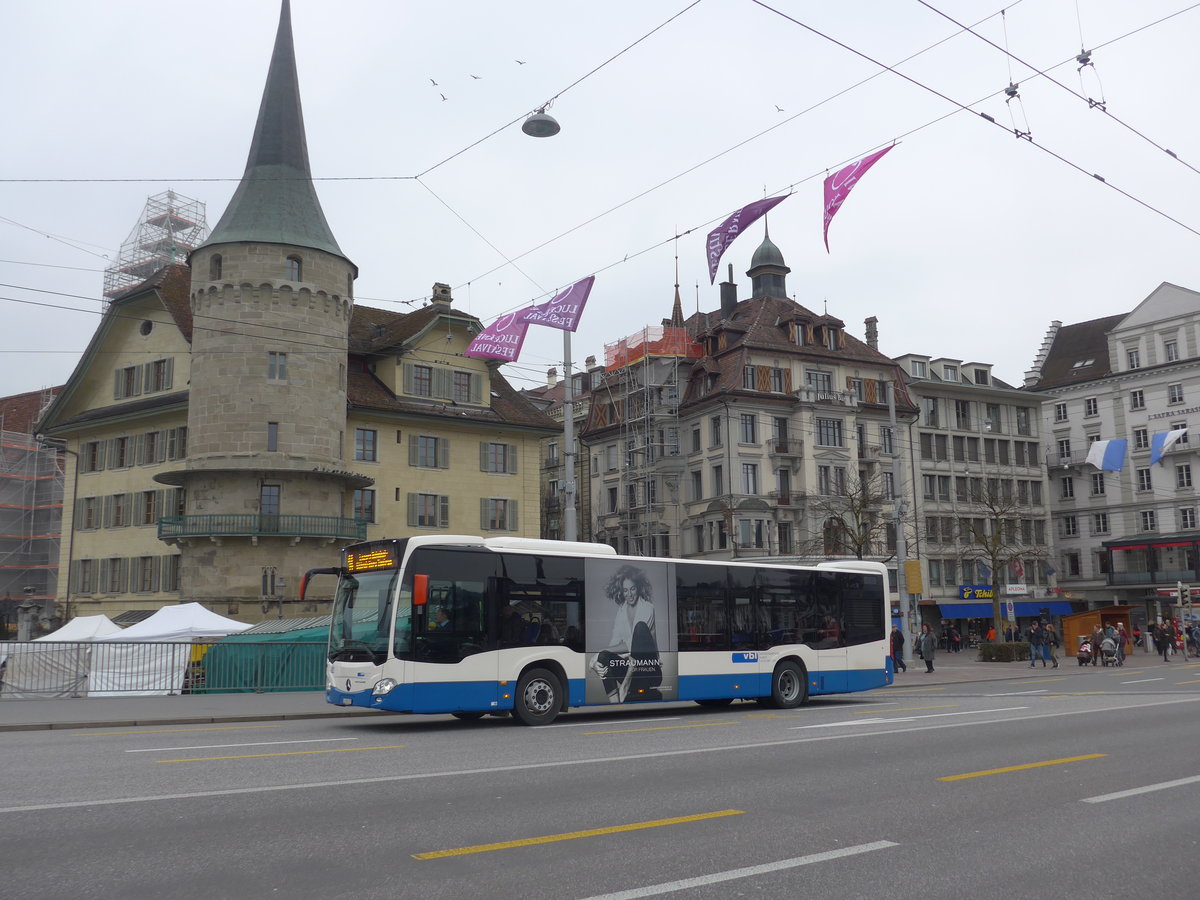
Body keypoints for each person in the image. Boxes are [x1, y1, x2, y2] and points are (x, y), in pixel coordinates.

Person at [592, 564, 662, 702]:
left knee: (640, 628)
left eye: (632, 589)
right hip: (630, 668)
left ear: (639, 588)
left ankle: (624, 686)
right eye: (625, 590)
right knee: (604, 656)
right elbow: (614, 644)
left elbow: (632, 644)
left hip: (649, 669)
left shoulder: (647, 608)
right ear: (621, 592)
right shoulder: (621, 611)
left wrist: (601, 651)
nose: (629, 594)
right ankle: (614, 701)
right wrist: (598, 658)